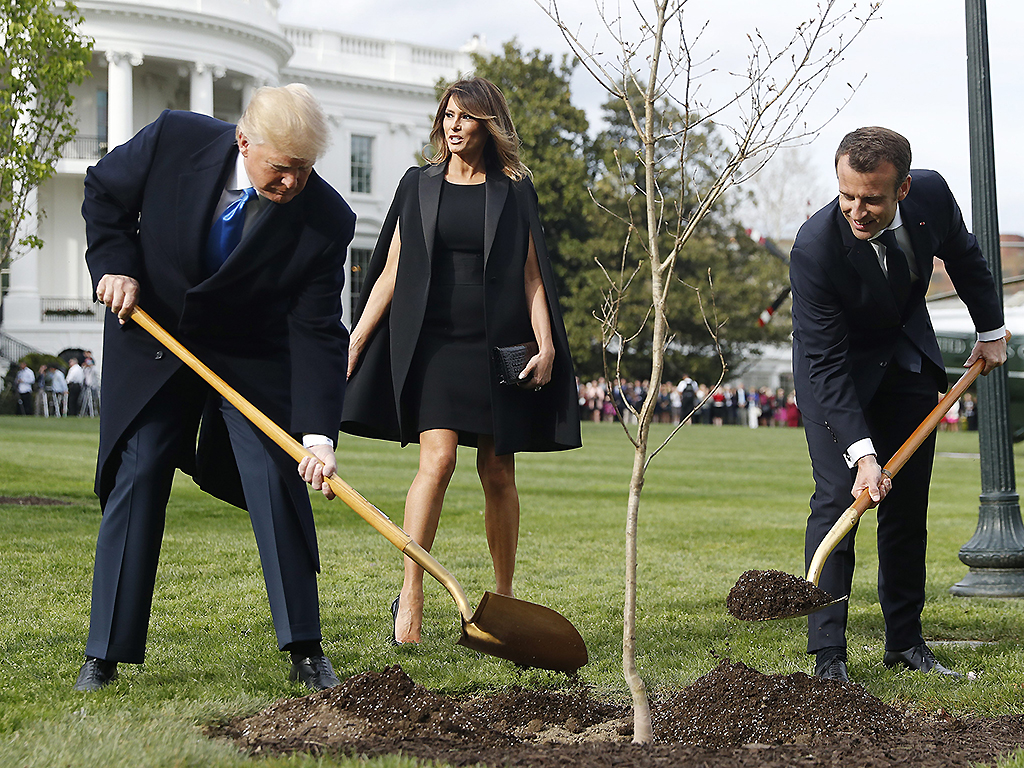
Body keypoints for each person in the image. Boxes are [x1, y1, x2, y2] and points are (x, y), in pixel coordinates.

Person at [74, 84, 355, 692]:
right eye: (280, 169)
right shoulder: (174, 138)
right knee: (141, 468)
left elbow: (315, 331)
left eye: (304, 170)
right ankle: (105, 652)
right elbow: (103, 192)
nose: (292, 184)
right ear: (244, 141)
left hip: (248, 356)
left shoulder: (327, 219)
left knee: (275, 471)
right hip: (154, 334)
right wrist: (114, 265)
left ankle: (305, 647)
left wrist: (316, 437)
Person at [341, 77, 581, 645]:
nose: (453, 125)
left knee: (498, 471)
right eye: (447, 114)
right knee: (439, 460)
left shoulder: (514, 190)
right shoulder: (417, 185)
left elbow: (531, 275)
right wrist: (356, 338)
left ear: (487, 124)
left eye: (466, 117)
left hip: (499, 345)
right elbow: (394, 266)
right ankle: (414, 591)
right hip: (436, 344)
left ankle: (504, 600)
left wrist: (546, 345)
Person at [790, 126, 1006, 683]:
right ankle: (828, 658)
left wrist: (992, 328)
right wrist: (863, 457)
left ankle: (906, 643)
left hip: (907, 360)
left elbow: (966, 258)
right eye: (847, 196)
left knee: (907, 507)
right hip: (835, 377)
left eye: (872, 199)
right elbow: (828, 365)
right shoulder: (815, 248)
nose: (857, 211)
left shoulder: (932, 195)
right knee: (840, 498)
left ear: (904, 189)